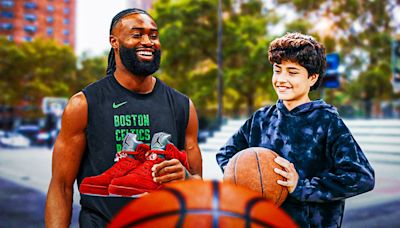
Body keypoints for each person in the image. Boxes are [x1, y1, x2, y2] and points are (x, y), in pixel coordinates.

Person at [45, 8, 202, 227]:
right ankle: (128, 165)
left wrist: (184, 177)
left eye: (153, 35)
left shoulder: (182, 105)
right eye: (137, 34)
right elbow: (61, 185)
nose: (148, 41)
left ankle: (147, 164)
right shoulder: (84, 104)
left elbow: (198, 186)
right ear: (114, 42)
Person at [216, 32, 374, 227]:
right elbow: (226, 154)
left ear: (312, 78)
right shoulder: (261, 118)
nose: (282, 79)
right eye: (277, 70)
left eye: (292, 72)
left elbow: (361, 176)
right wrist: (246, 178)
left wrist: (301, 187)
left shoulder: (327, 121)